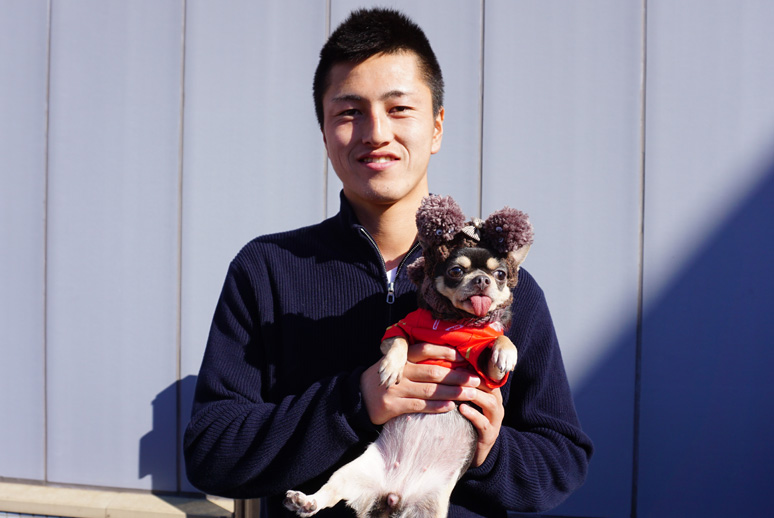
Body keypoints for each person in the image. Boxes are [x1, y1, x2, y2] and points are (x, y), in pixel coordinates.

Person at [184, 8, 592, 517]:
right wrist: (354, 403)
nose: (376, 132)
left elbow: (562, 460)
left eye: (399, 109)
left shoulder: (506, 289)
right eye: (349, 112)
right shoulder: (266, 270)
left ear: (437, 126)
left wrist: (489, 451)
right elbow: (212, 450)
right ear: (324, 131)